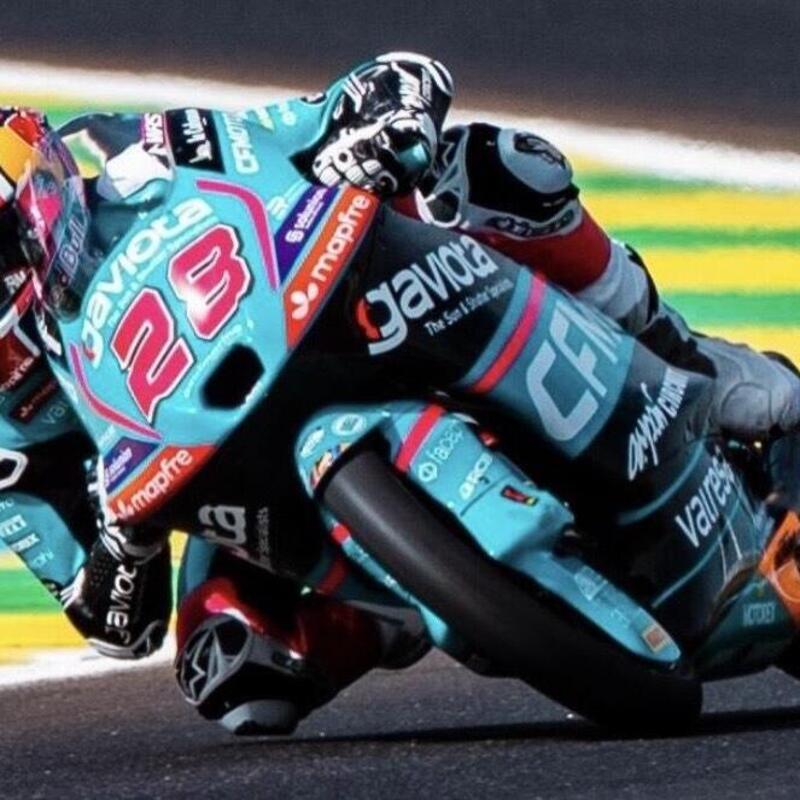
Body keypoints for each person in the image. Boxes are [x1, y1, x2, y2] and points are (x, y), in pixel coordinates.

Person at [0, 51, 797, 735]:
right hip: (235, 472)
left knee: (493, 167)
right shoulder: (10, 437)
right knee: (234, 670)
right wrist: (126, 537)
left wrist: (379, 124)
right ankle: (421, 598)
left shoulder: (155, 151)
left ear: (35, 194)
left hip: (352, 310)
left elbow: (358, 98)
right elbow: (115, 626)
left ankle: (686, 357)